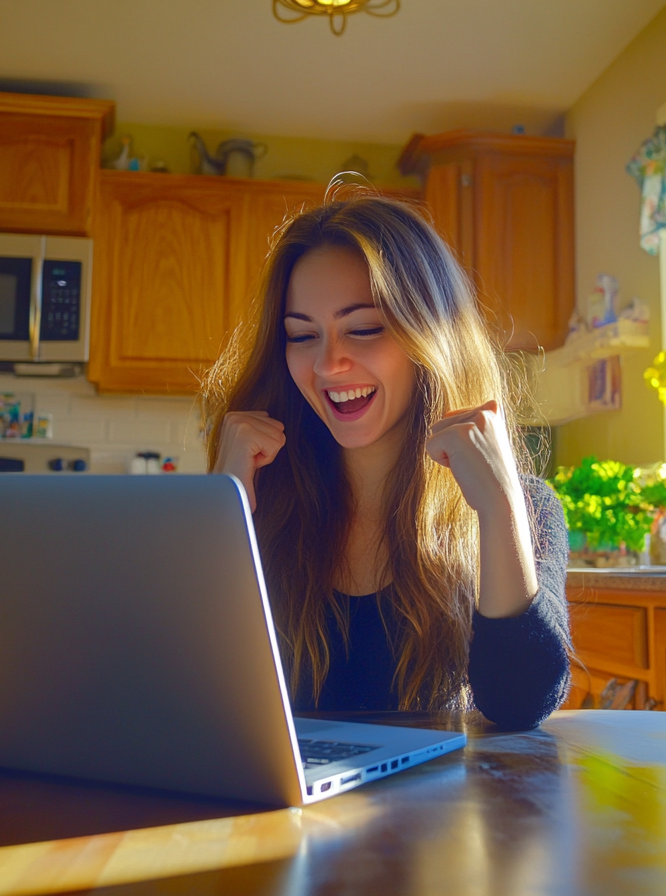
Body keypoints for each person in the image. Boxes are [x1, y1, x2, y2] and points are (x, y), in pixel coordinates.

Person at [202, 194, 569, 730]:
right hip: (285, 812)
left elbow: (519, 706)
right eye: (302, 336)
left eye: (364, 328)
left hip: (442, 811)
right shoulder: (255, 497)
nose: (328, 363)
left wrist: (500, 505)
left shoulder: (526, 508)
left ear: (430, 336)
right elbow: (195, 701)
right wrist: (219, 514)